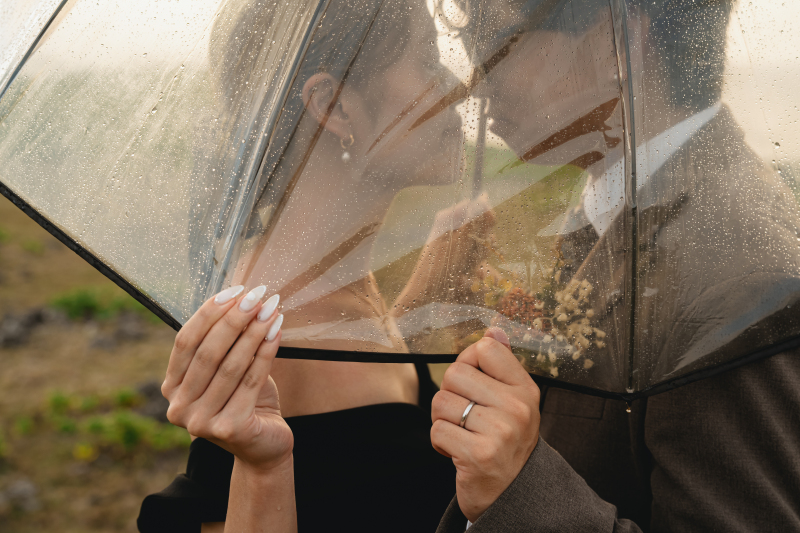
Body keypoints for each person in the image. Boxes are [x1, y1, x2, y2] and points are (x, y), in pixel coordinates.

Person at [429, 0, 800, 530]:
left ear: (617, 38)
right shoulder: (606, 205)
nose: (478, 83)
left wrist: (517, 487)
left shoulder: (741, 280)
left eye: (498, 43)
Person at [137, 0, 480, 530]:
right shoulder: (269, 335)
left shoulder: (328, 286)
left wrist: (420, 303)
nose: (457, 87)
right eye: (427, 61)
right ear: (336, 107)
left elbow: (357, 456)